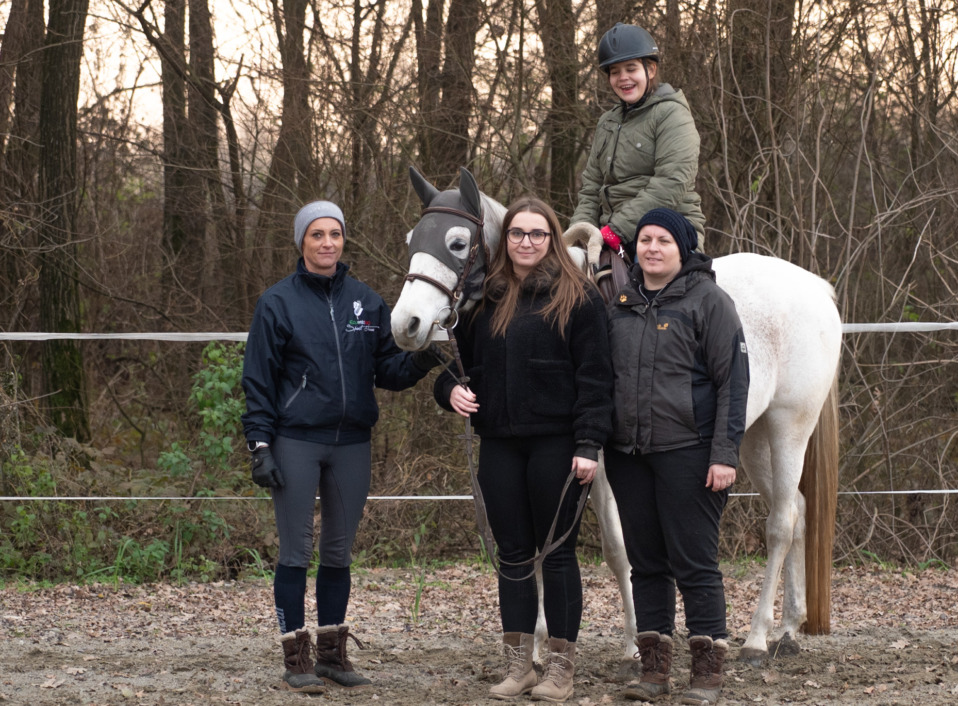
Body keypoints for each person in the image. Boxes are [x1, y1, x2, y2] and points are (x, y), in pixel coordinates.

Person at [241, 200, 441, 693]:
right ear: (302, 242)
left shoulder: (368, 302)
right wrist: (259, 444)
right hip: (296, 440)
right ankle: (296, 656)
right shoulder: (277, 303)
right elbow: (258, 380)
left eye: (335, 234)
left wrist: (424, 358)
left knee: (337, 551)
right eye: (317, 234)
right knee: (296, 551)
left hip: (352, 443)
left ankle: (332, 654)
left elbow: (388, 372)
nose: (327, 242)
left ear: (343, 240)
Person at [433, 197, 613, 703]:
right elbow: (459, 367)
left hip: (559, 446)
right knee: (511, 557)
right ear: (505, 239)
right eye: (517, 233)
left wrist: (589, 444)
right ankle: (519, 666)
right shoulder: (484, 301)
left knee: (556, 556)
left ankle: (561, 667)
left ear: (552, 239)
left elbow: (597, 379)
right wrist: (449, 391)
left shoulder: (578, 299)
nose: (527, 242)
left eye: (537, 234)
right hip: (500, 446)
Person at [604, 208, 749, 705]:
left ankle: (706, 674)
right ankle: (654, 671)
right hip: (628, 454)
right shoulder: (619, 304)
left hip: (690, 452)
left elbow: (734, 382)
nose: (652, 248)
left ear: (682, 248)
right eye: (645, 239)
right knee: (645, 563)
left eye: (664, 240)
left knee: (695, 564)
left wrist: (724, 453)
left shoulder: (709, 301)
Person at [569, 22, 707, 255]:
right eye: (615, 72)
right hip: (608, 234)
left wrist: (617, 230)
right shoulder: (607, 122)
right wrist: (580, 233)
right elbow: (591, 186)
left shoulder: (672, 115)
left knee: (637, 289)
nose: (623, 78)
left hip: (666, 227)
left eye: (631, 69)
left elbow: (671, 182)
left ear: (650, 70)